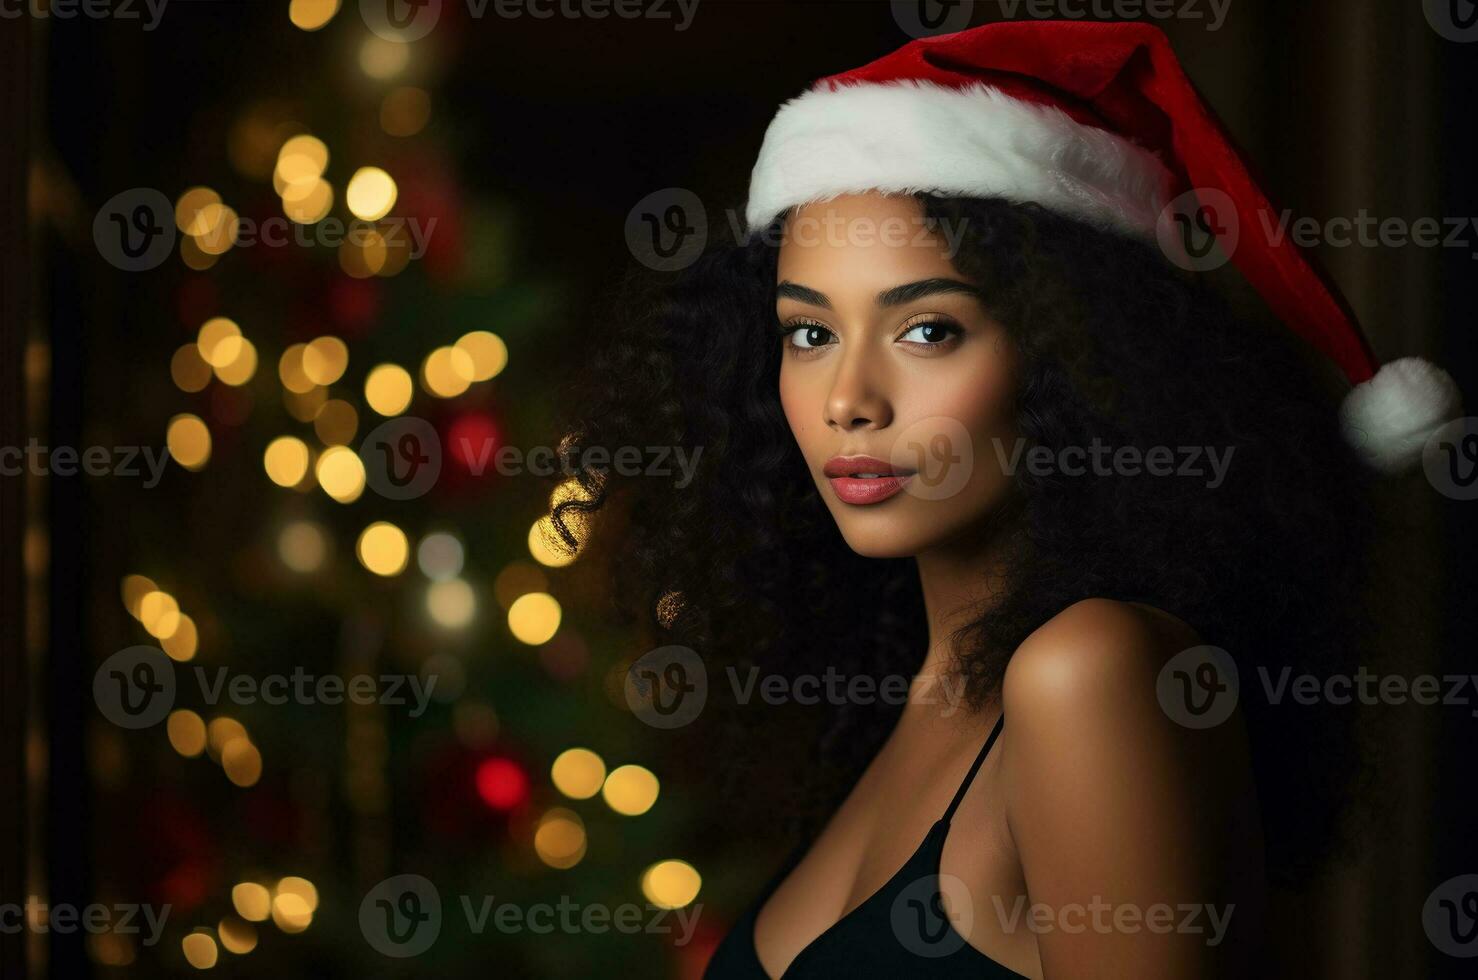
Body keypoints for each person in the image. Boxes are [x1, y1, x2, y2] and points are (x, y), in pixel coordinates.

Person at [552, 19, 1461, 979]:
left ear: (1075, 357)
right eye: (809, 334)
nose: (850, 401)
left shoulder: (1088, 672)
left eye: (928, 329)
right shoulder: (905, 696)